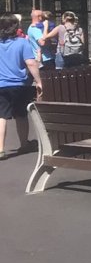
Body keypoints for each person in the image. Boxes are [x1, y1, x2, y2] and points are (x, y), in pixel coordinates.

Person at [0, 13, 43, 156]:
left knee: (2, 116)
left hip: (1, 85)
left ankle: (0, 149)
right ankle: (24, 144)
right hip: (19, 84)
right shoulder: (22, 42)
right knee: (21, 115)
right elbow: (30, 63)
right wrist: (38, 81)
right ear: (15, 26)